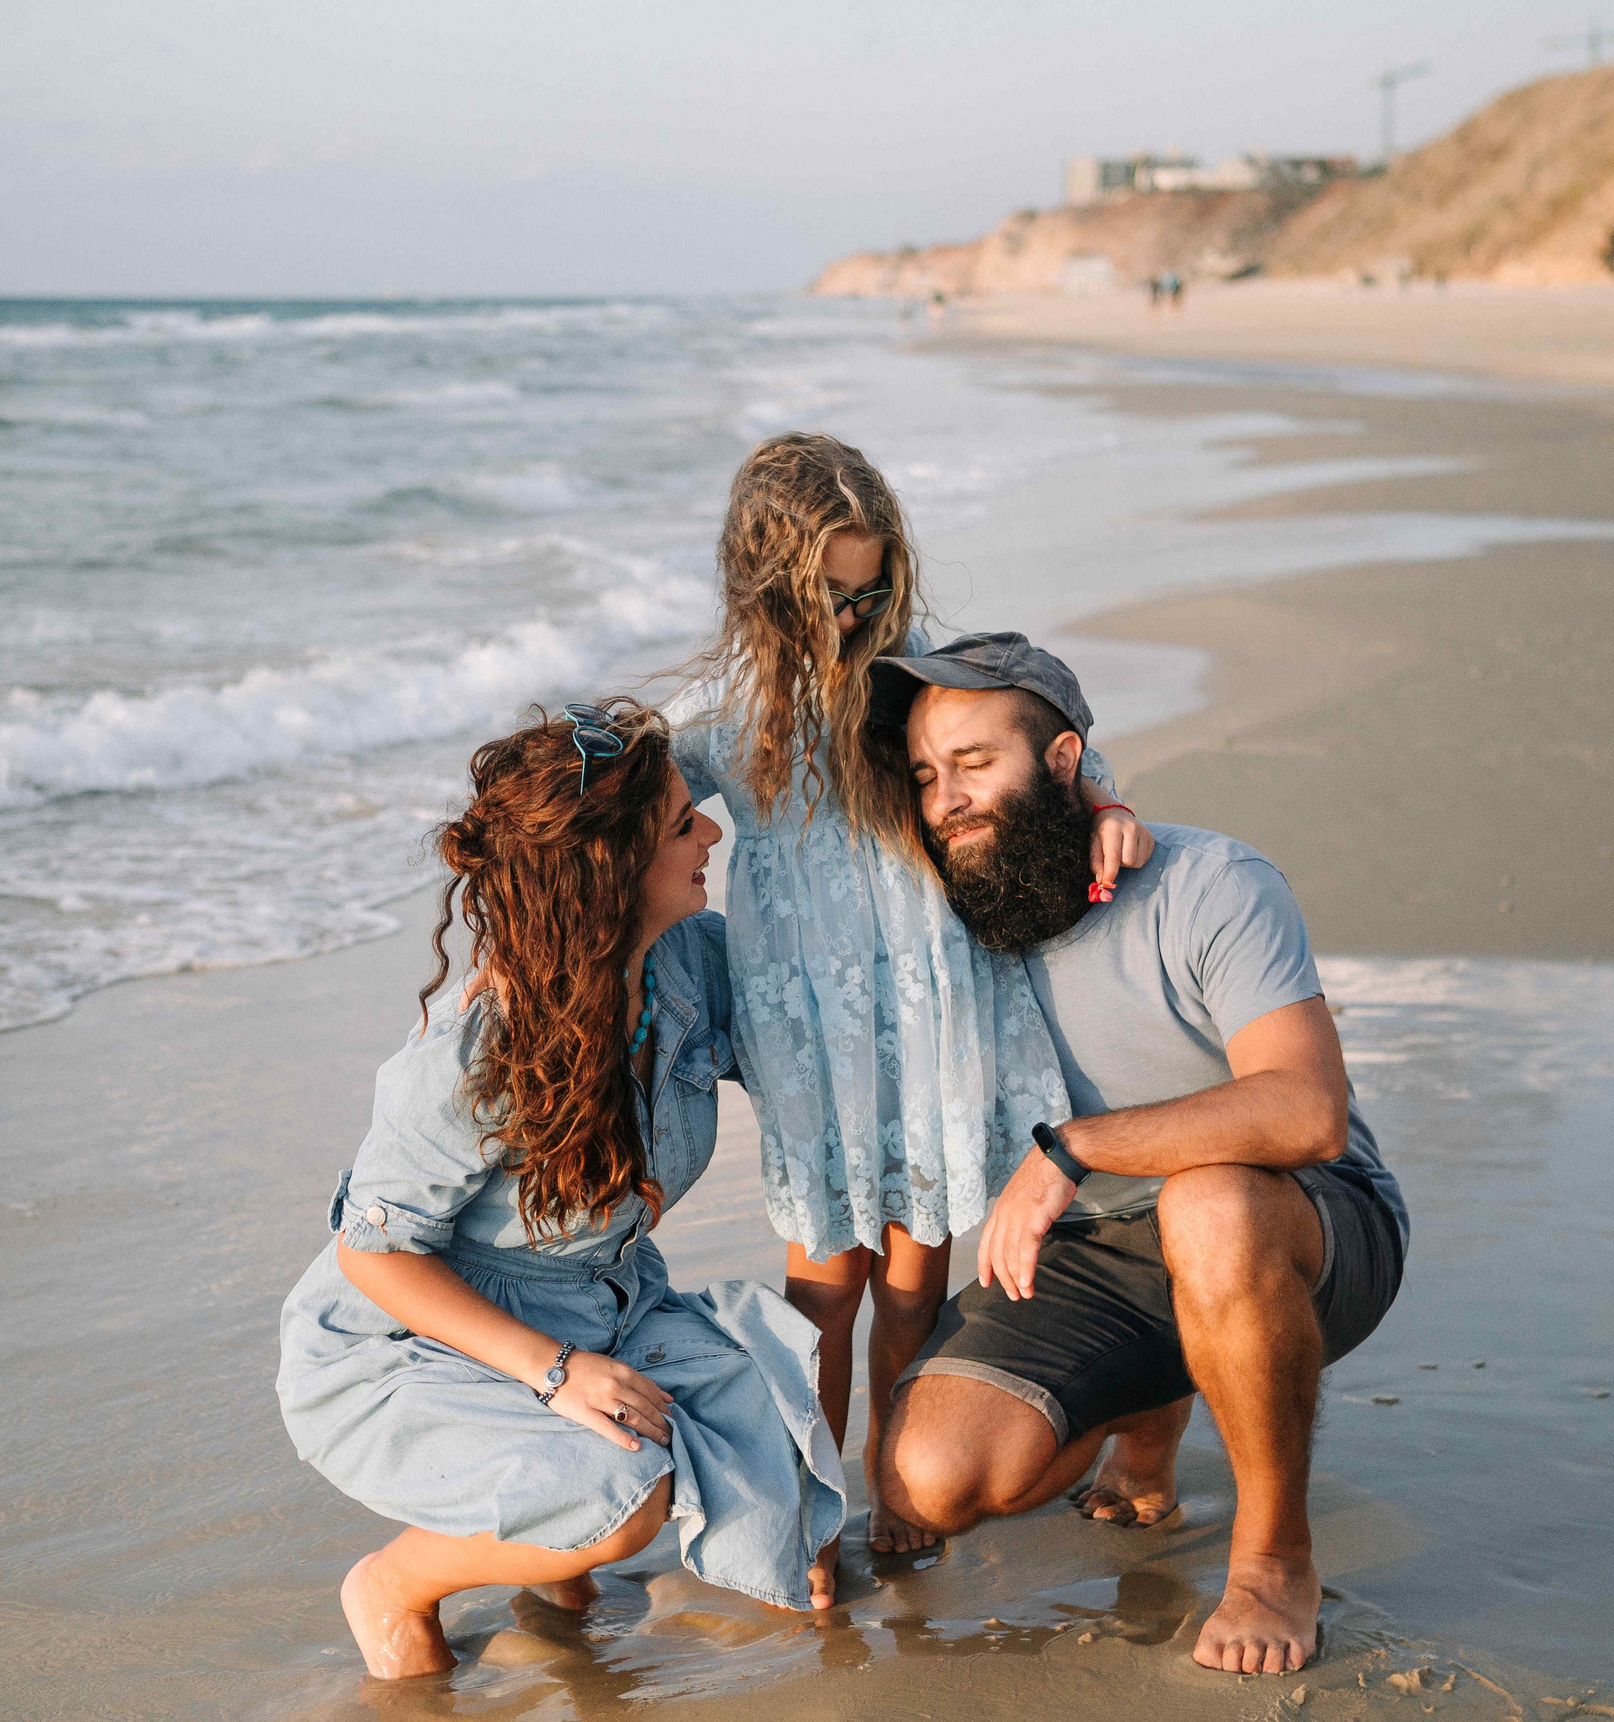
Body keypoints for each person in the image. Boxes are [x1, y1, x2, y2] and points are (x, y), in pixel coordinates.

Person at [866, 634, 1407, 1676]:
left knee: (1205, 1208)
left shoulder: (1210, 881)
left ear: (1064, 762)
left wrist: (1078, 1145)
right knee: (931, 1479)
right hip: (1095, 1249)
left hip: (1298, 1219)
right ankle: (1154, 1410)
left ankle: (1270, 1558)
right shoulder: (944, 916)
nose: (948, 800)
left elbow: (1308, 1112)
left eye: (976, 764)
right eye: (929, 776)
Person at [274, 699, 846, 1679]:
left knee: (778, 1433)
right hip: (415, 1336)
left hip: (608, 1305)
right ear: (611, 871)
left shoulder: (684, 969)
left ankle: (549, 1549)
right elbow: (375, 1254)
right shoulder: (474, 1051)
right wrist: (552, 1373)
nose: (711, 830)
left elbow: (832, 1007)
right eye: (680, 824)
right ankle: (395, 1581)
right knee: (624, 1502)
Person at [667, 434, 1153, 1568]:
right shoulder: (725, 710)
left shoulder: (923, 674)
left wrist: (1106, 802)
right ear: (765, 587)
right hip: (809, 1037)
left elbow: (1036, 742)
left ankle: (896, 1480)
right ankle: (806, 1501)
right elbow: (629, 813)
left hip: (931, 1011)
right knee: (821, 1287)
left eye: (870, 588)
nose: (850, 614)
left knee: (912, 1279)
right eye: (825, 595)